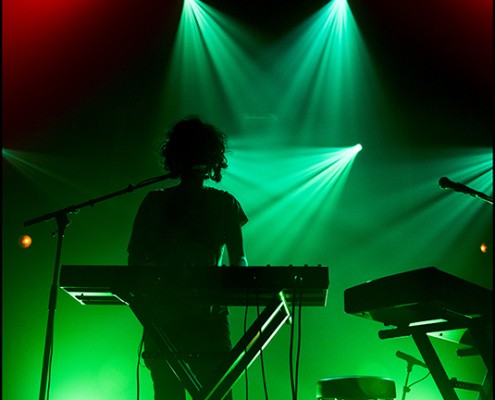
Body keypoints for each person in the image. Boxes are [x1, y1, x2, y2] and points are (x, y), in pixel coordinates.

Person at [127, 116, 248, 400]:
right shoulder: (161, 202)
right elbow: (238, 262)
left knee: (186, 392)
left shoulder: (220, 203)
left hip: (184, 317)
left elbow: (238, 259)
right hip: (182, 318)